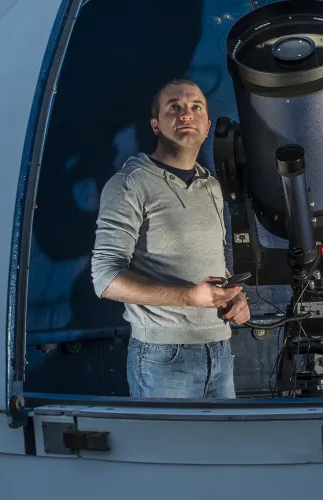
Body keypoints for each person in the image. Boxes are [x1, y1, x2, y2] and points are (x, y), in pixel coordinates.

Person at [90, 78, 250, 399]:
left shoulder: (212, 189)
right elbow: (105, 280)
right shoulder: (129, 184)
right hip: (163, 357)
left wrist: (233, 299)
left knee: (224, 450)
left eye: (195, 108)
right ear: (156, 124)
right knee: (169, 449)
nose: (185, 114)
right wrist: (190, 297)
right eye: (173, 108)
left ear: (206, 127)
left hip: (219, 349)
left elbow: (212, 266)